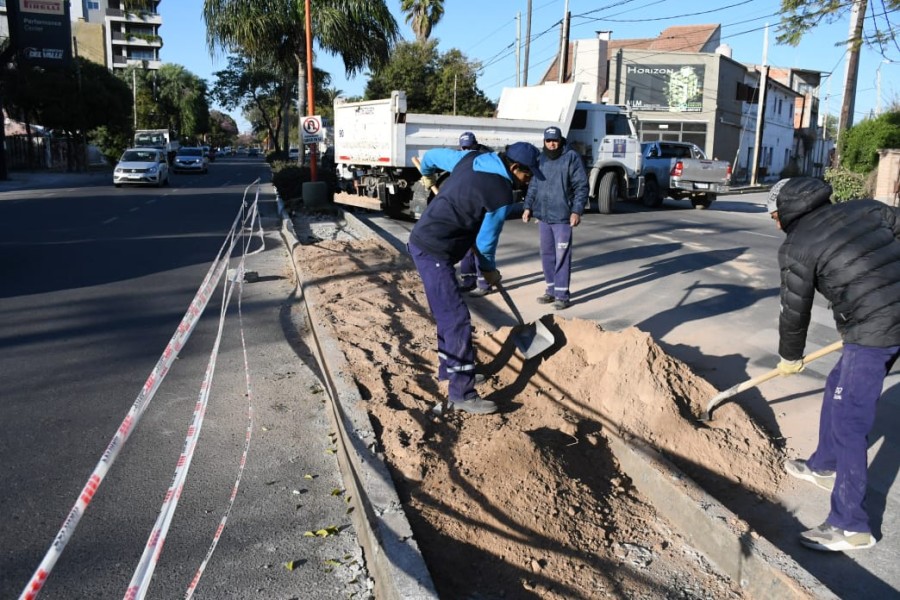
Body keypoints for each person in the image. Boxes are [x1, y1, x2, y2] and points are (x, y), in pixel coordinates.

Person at [769, 176, 900, 552]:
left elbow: (794, 312)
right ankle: (824, 465)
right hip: (882, 321)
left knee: (849, 421)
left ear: (783, 213)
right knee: (837, 384)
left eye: (774, 218)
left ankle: (850, 526)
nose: (775, 226)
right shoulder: (865, 208)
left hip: (874, 332)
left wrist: (790, 356)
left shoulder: (797, 246)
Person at [409, 142, 544, 415]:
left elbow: (433, 156)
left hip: (426, 243)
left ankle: (453, 369)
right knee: (456, 319)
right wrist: (489, 270)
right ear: (514, 167)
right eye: (528, 174)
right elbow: (485, 242)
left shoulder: (472, 158)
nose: (529, 180)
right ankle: (461, 393)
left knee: (448, 315)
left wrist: (427, 175)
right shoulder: (500, 193)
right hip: (435, 250)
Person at [521, 126, 589, 310]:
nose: (552, 144)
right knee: (547, 255)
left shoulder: (571, 157)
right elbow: (534, 185)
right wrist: (528, 207)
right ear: (544, 141)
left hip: (562, 217)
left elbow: (581, 186)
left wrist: (576, 211)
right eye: (548, 140)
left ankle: (562, 295)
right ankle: (551, 291)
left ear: (561, 140)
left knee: (561, 256)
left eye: (555, 140)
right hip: (543, 216)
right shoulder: (540, 159)